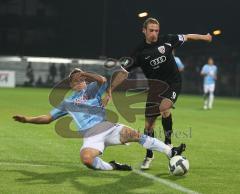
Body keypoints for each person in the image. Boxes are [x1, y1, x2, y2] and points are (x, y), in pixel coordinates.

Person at [13, 68, 186, 171]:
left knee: (137, 135)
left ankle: (171, 152)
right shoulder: (67, 102)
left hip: (109, 127)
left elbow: (103, 79)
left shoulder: (93, 89)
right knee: (87, 160)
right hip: (91, 136)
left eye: (82, 79)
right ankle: (113, 166)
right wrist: (27, 119)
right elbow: (48, 118)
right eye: (76, 80)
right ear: (72, 84)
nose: (81, 81)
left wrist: (84, 73)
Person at [117, 17, 212, 169]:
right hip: (155, 89)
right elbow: (123, 71)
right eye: (151, 30)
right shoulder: (138, 52)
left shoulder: (167, 40)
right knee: (148, 126)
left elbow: (187, 36)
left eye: (156, 30)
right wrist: (109, 89)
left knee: (164, 108)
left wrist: (205, 37)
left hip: (173, 83)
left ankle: (168, 142)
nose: (154, 33)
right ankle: (149, 155)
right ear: (144, 31)